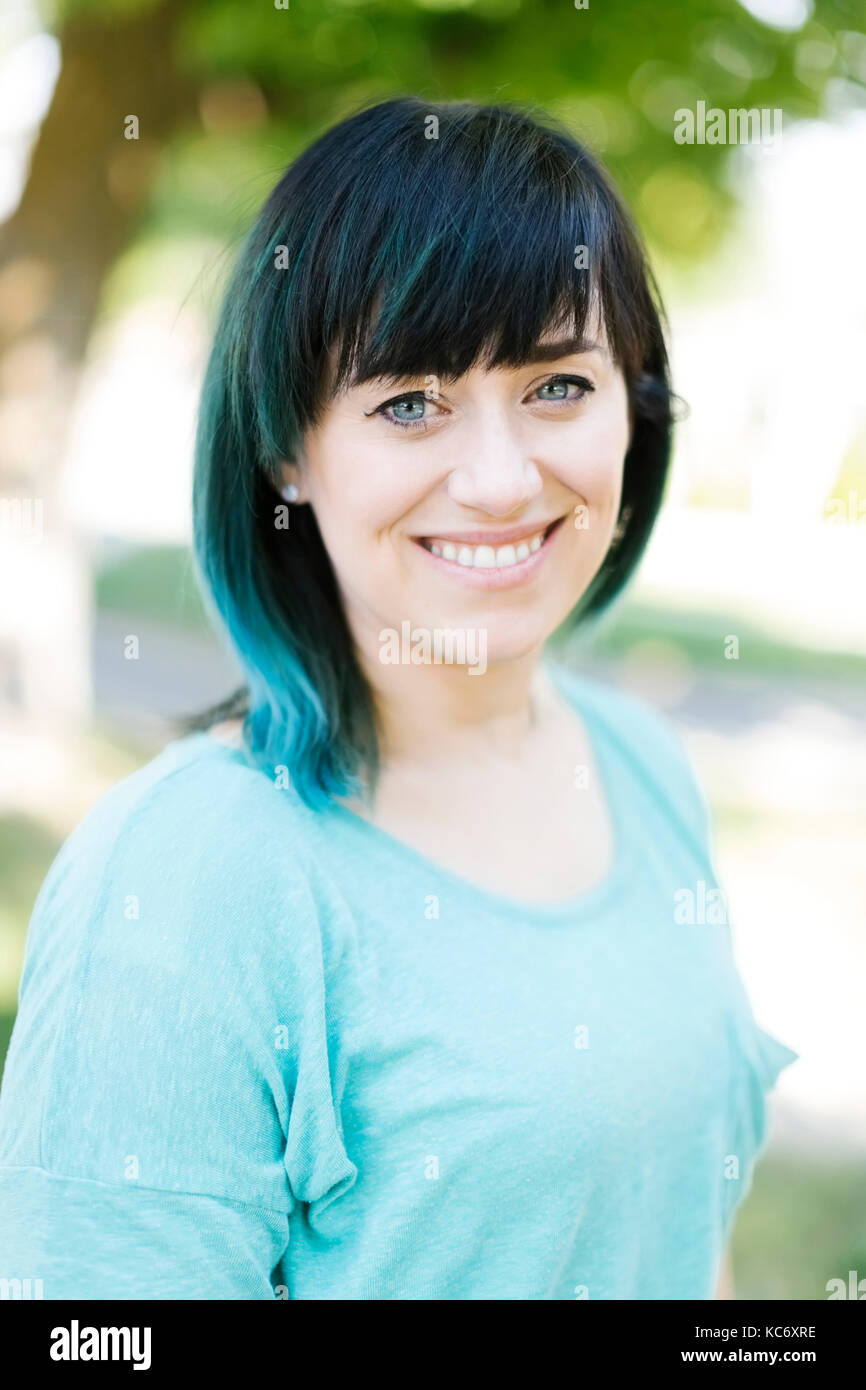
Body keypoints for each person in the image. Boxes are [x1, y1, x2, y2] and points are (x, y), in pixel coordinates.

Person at [0, 95, 797, 1300]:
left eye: (556, 386)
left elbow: (679, 1237)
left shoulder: (640, 765)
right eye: (407, 402)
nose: (496, 477)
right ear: (287, 451)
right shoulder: (184, 876)